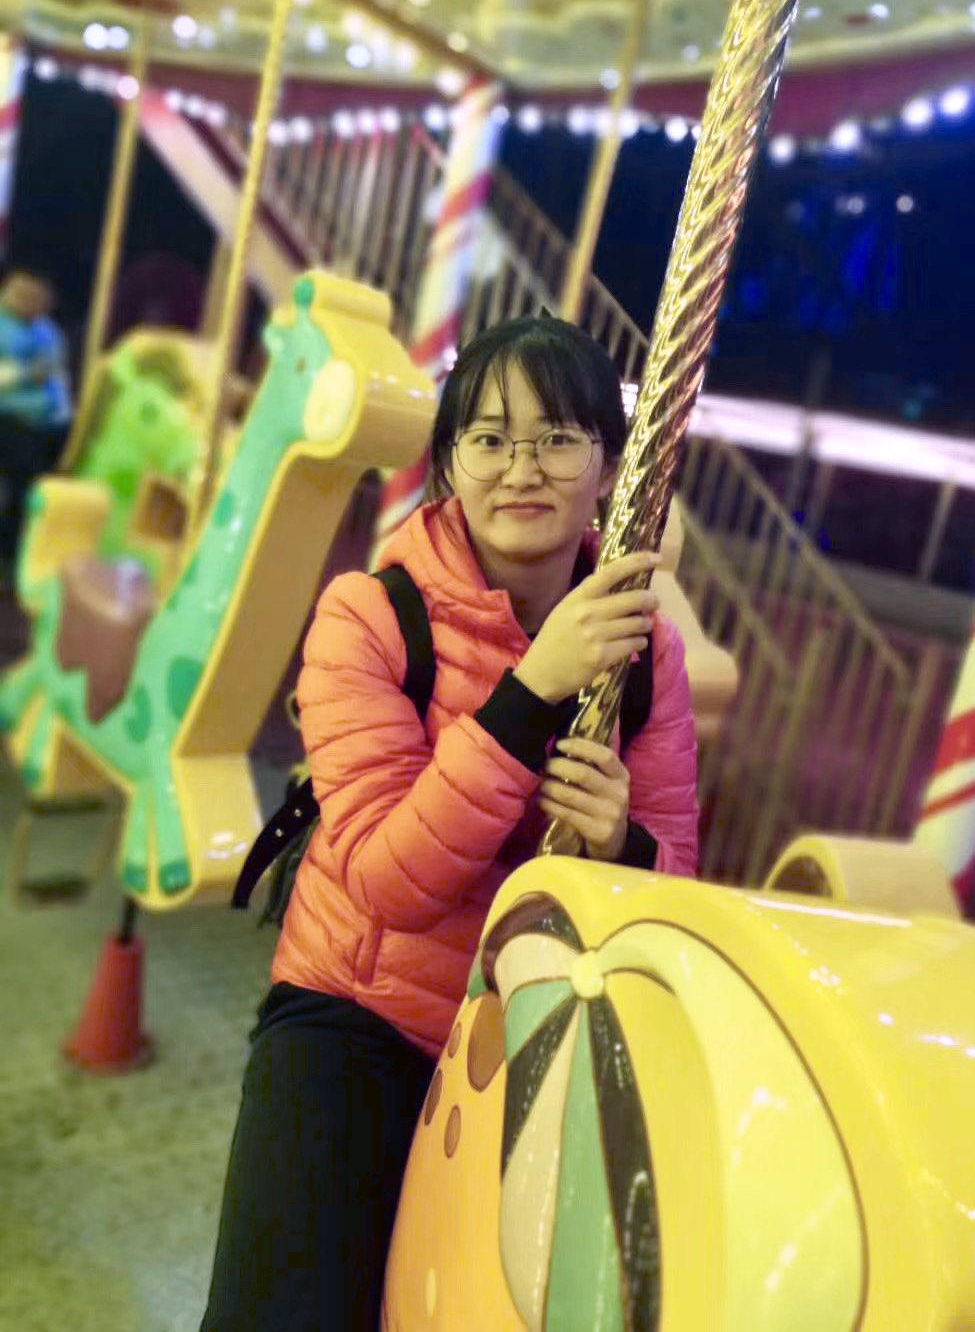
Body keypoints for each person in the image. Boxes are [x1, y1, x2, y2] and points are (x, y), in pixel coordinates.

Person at [201, 315, 700, 1331]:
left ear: (612, 466)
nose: (522, 468)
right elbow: (390, 880)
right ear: (448, 462)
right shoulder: (369, 616)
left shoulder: (646, 656)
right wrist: (531, 690)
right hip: (360, 1016)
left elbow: (676, 894)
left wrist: (624, 848)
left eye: (558, 438)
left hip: (533, 1037)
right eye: (489, 438)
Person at [0, 271, 72, 573]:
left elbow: (56, 370)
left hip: (48, 425)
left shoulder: (47, 331)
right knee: (17, 493)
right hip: (12, 420)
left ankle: (21, 558)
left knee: (33, 495)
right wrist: (28, 374)